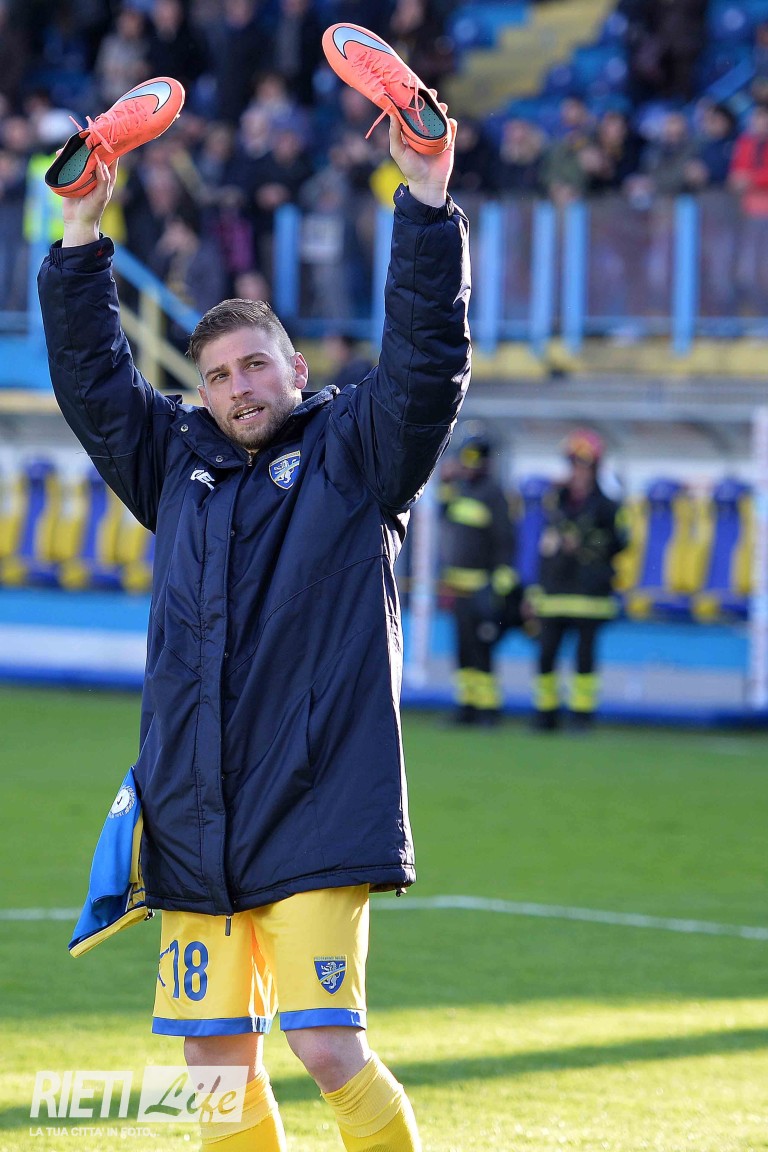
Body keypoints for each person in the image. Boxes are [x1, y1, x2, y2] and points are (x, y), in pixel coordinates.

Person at [38, 93, 469, 1152]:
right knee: (212, 1072)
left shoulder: (357, 454)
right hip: (193, 815)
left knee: (325, 1047)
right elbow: (94, 384)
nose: (237, 388)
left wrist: (425, 201)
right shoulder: (171, 465)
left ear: (297, 371)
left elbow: (425, 363)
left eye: (255, 366)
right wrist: (81, 231)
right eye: (218, 375)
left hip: (317, 807)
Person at [531, 429, 627, 731]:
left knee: (584, 659)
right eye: (573, 464)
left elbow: (620, 543)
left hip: (590, 595)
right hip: (555, 593)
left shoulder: (607, 505)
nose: (577, 471)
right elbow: (544, 549)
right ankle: (546, 714)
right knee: (546, 655)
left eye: (583, 465)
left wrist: (584, 543)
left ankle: (582, 716)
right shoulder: (556, 501)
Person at [438, 425, 519, 726]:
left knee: (482, 650)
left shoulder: (494, 494)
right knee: (463, 650)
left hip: (482, 587)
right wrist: (446, 484)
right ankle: (467, 706)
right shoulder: (461, 489)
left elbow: (506, 542)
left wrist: (498, 587)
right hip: (458, 588)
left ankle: (489, 709)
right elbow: (445, 514)